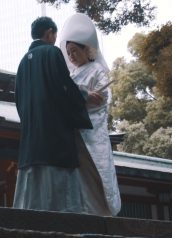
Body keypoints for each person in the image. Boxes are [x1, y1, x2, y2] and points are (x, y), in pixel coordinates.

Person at [13, 16, 102, 213]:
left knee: (32, 186)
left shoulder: (22, 64)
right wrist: (85, 95)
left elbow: (18, 100)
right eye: (55, 35)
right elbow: (63, 85)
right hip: (53, 130)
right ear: (49, 33)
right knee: (59, 178)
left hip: (31, 135)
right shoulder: (51, 52)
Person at [60, 13, 122, 216]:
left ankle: (102, 210)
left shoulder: (97, 70)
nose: (71, 56)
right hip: (76, 130)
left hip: (93, 130)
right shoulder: (70, 75)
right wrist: (82, 98)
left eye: (75, 51)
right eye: (68, 52)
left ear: (87, 49)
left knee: (98, 167)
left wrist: (83, 99)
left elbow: (102, 98)